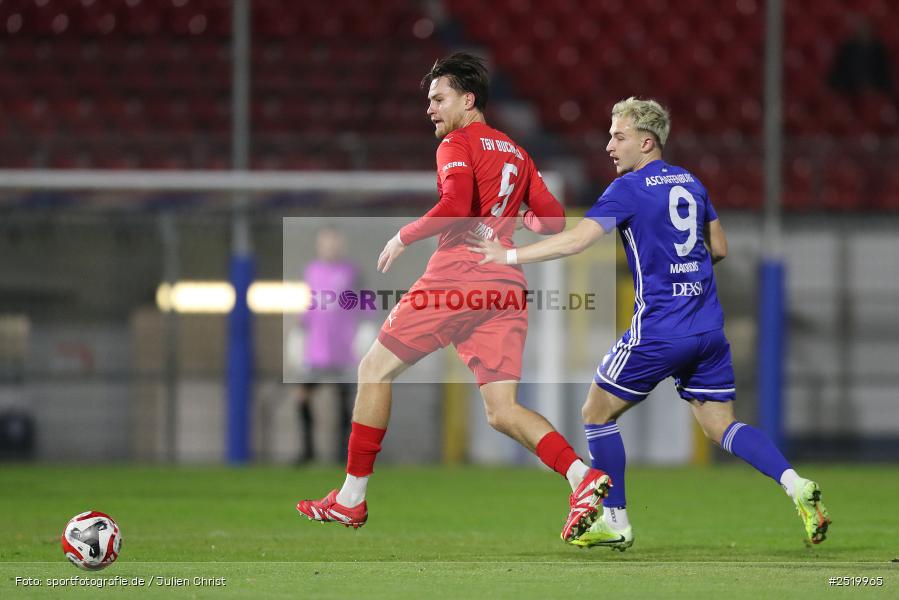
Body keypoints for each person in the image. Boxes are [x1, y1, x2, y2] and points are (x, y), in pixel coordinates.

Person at [470, 97, 831, 550]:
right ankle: (794, 483)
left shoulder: (627, 188)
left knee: (595, 413)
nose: (608, 146)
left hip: (660, 329)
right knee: (720, 425)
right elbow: (719, 247)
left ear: (646, 141)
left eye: (617, 136)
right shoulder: (692, 182)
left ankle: (615, 519)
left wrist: (508, 254)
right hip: (707, 330)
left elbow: (578, 241)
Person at [297, 53, 610, 543]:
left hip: (459, 274)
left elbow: (455, 204)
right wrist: (521, 220)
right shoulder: (516, 152)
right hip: (505, 285)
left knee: (372, 371)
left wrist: (404, 236)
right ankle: (581, 477)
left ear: (468, 100)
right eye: (428, 101)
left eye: (438, 98)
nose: (430, 108)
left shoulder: (457, 143)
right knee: (502, 409)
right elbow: (550, 222)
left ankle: (351, 499)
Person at [295, 225, 357, 464]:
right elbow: (309, 307)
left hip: (342, 350)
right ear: (319, 246)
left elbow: (364, 305)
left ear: (341, 246)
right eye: (326, 243)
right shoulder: (312, 272)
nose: (330, 247)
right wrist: (300, 333)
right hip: (317, 351)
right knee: (302, 397)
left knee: (346, 403)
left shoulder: (351, 273)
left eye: (334, 242)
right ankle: (308, 452)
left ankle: (345, 455)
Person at [828, 14, 893, 97]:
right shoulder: (847, 49)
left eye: (866, 29)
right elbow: (838, 74)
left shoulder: (879, 50)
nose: (863, 32)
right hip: (850, 92)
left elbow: (884, 75)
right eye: (860, 29)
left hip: (874, 91)